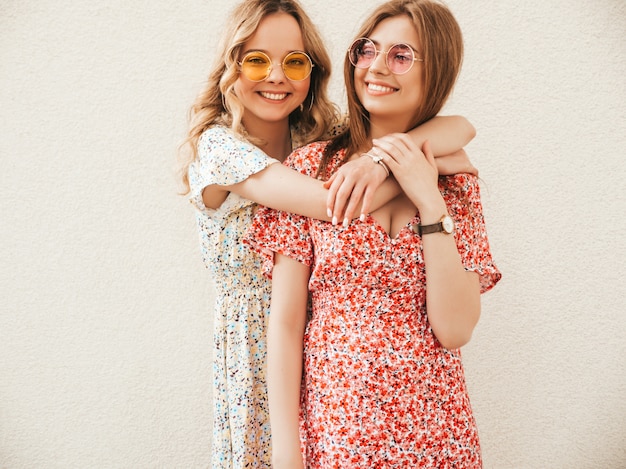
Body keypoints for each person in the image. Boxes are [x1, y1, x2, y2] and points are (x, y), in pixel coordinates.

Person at [178, 0, 477, 467]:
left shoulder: (321, 138)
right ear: (231, 65)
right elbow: (327, 204)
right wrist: (405, 173)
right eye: (256, 59)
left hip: (421, 416)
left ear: (312, 72)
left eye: (294, 62)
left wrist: (407, 175)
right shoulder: (230, 149)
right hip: (264, 366)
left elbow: (462, 126)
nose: (275, 76)